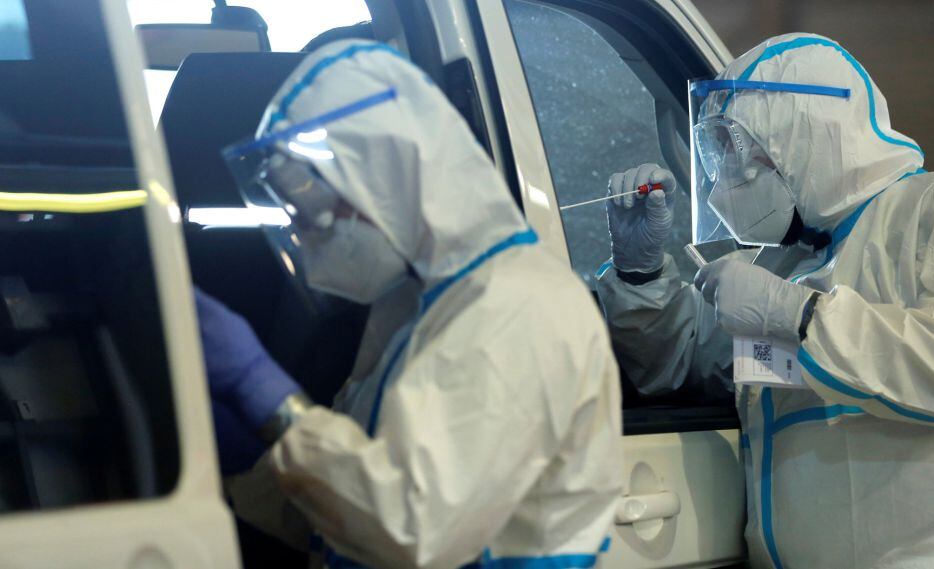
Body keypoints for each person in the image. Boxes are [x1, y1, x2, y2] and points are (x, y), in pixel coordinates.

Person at [597, 33, 934, 569]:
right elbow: (684, 368)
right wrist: (640, 270)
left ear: (807, 133)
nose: (726, 179)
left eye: (738, 149)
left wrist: (797, 315)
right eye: (715, 150)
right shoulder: (786, 266)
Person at [194, 40, 622, 569]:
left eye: (316, 213)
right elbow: (349, 515)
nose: (307, 237)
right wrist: (260, 462)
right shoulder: (412, 309)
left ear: (388, 177)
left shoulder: (520, 308)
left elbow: (411, 527)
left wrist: (264, 394)